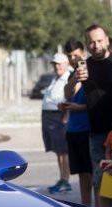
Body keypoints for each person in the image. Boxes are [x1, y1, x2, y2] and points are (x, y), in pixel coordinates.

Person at [64, 24, 112, 207]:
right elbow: (68, 93)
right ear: (87, 44)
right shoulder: (84, 66)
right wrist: (76, 78)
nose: (96, 45)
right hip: (97, 133)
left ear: (107, 40)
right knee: (100, 182)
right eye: (91, 42)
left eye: (99, 40)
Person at [62, 39, 92, 205]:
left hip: (87, 128)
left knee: (91, 172)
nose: (73, 58)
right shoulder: (73, 75)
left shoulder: (91, 71)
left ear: (84, 52)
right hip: (73, 129)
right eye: (70, 56)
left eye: (76, 54)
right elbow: (68, 93)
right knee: (81, 172)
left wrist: (79, 107)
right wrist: (66, 106)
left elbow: (96, 101)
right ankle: (85, 205)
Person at [42, 52, 71, 194]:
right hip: (50, 117)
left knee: (63, 151)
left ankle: (65, 180)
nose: (57, 66)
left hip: (59, 117)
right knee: (58, 151)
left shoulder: (67, 79)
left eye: (59, 64)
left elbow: (69, 99)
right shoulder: (56, 78)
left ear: (66, 64)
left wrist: (66, 115)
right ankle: (62, 178)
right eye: (55, 64)